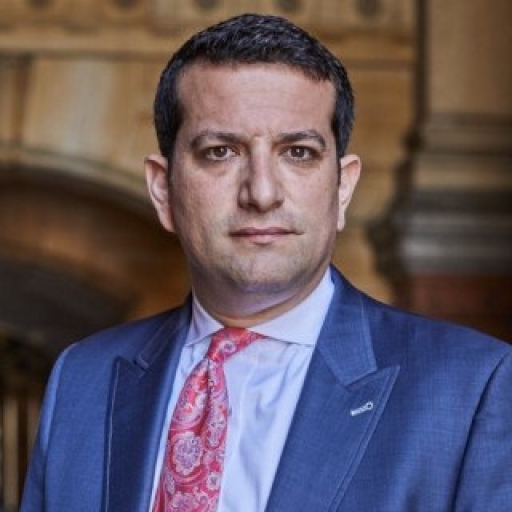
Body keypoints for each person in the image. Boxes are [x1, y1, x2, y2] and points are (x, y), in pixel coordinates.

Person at [21, 13, 512, 512]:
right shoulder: (82, 381)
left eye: (297, 152)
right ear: (163, 190)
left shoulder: (472, 388)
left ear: (342, 188)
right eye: (220, 152)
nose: (261, 192)